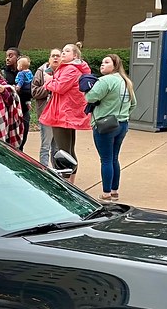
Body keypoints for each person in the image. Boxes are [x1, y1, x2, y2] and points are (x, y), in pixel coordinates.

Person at [84, 53, 134, 202]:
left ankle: (106, 194)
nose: (102, 64)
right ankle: (114, 191)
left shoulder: (105, 80)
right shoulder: (126, 81)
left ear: (115, 66)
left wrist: (87, 90)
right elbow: (133, 104)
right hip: (122, 124)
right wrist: (123, 114)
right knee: (114, 158)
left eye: (106, 62)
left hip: (105, 125)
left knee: (105, 159)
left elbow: (90, 97)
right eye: (102, 62)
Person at [40, 43, 91, 183]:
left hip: (63, 114)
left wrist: (48, 80)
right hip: (64, 113)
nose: (63, 53)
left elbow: (59, 87)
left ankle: (67, 184)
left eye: (67, 51)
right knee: (68, 150)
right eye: (63, 50)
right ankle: (70, 183)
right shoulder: (70, 68)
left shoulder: (70, 69)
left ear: (75, 56)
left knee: (63, 152)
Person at [31, 49, 62, 167]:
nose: (55, 58)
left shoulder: (65, 72)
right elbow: (34, 92)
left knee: (57, 147)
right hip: (46, 114)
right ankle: (44, 170)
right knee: (46, 146)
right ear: (49, 58)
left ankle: (57, 172)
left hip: (60, 115)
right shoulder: (41, 72)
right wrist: (48, 86)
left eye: (58, 56)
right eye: (53, 56)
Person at [14, 56, 34, 145]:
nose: (17, 66)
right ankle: (28, 103)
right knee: (27, 99)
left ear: (21, 66)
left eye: (18, 64)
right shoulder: (29, 72)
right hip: (29, 90)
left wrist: (18, 87)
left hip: (23, 89)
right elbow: (32, 80)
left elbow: (21, 81)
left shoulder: (21, 73)